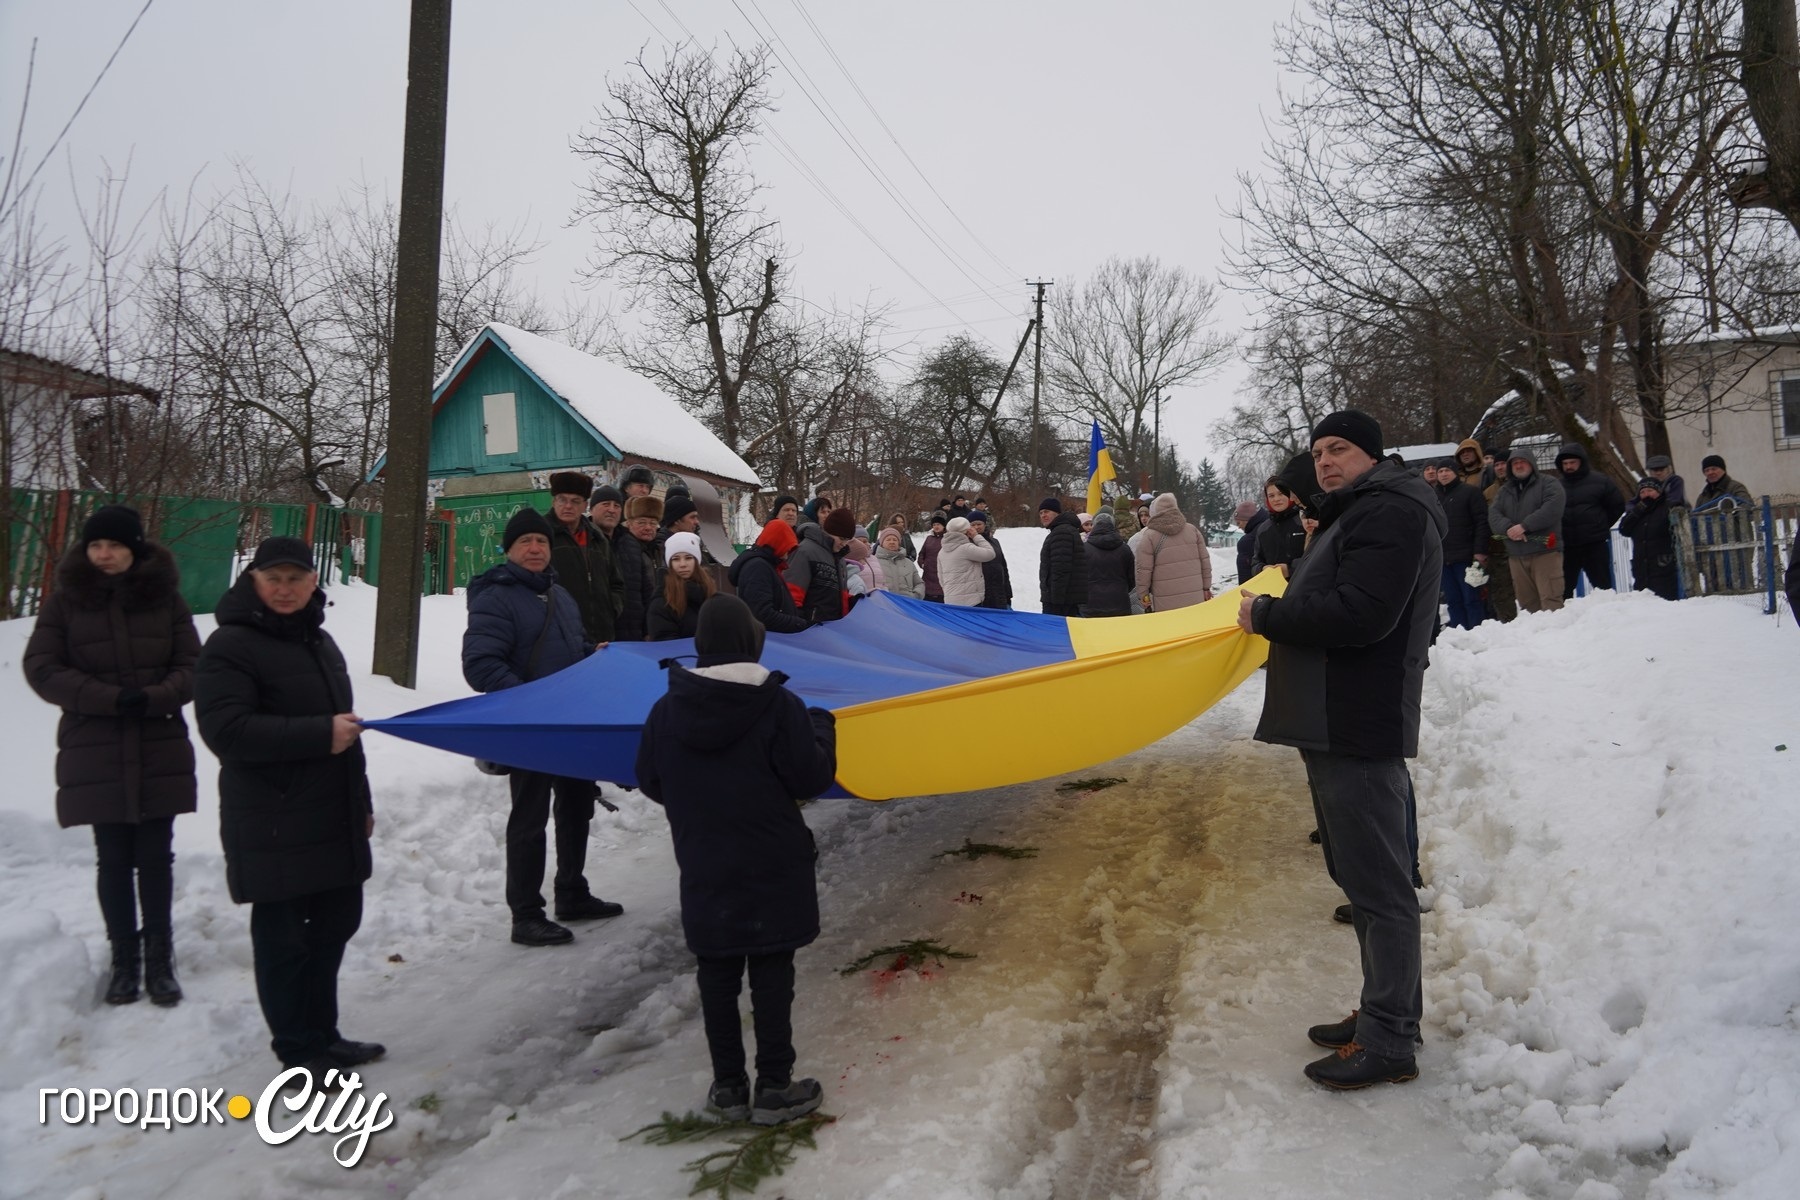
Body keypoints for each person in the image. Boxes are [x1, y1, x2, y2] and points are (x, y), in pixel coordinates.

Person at [1237, 410, 1443, 1090]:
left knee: (1382, 888)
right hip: (1335, 716)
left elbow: (1362, 615)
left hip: (1356, 718)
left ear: (1372, 454)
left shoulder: (1389, 512)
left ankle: (1390, 1038)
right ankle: (1383, 1012)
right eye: (1318, 451)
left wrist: (1265, 615)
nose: (1325, 461)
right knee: (1361, 878)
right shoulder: (1362, 510)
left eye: (1340, 449)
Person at [634, 595, 838, 1127]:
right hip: (772, 859)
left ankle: (728, 1089)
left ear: (701, 647)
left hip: (704, 859)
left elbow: (651, 778)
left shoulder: (666, 710)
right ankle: (774, 1085)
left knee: (717, 973)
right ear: (753, 642)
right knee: (772, 967)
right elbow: (810, 778)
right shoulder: (779, 706)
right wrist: (822, 729)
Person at [194, 537, 382, 1082]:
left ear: (312, 584)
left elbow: (350, 732)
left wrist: (362, 801)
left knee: (332, 928)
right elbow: (226, 731)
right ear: (253, 580)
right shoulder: (229, 645)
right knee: (284, 941)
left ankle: (325, 1034)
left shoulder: (319, 642)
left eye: (295, 579)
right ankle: (297, 1051)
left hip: (332, 813)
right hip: (273, 818)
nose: (284, 589)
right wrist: (320, 734)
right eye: (272, 578)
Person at [25, 505, 199, 1008]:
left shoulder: (166, 600)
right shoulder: (64, 604)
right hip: (94, 746)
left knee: (155, 857)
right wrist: (106, 698)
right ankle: (124, 960)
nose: (104, 555)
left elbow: (192, 664)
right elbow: (41, 667)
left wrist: (155, 696)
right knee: (113, 859)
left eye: (115, 546)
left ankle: (160, 959)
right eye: (96, 545)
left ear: (135, 549)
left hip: (157, 743)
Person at [462, 509, 617, 947]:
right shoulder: (495, 597)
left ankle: (572, 892)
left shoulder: (559, 596)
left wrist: (594, 652)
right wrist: (530, 702)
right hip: (528, 726)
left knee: (575, 806)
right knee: (529, 819)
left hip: (568, 722)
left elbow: (571, 649)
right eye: (526, 542)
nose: (535, 549)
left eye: (542, 542)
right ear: (509, 550)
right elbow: (480, 665)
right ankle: (526, 914)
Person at [545, 472, 623, 646]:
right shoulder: (543, 536)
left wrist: (611, 609)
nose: (568, 506)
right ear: (553, 502)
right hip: (561, 638)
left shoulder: (597, 538)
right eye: (562, 500)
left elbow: (616, 582)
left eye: (575, 501)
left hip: (602, 636)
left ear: (585, 506)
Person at [1488, 449, 1566, 614]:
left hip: (1545, 553)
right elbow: (1493, 514)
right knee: (1528, 606)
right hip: (1516, 556)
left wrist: (1525, 526)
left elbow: (1553, 507)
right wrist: (1508, 528)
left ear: (1532, 463)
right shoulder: (1505, 490)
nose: (1519, 465)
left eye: (1522, 461)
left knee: (1551, 601)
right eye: (1515, 463)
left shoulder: (1549, 483)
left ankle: (1556, 638)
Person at [1554, 444, 1625, 598]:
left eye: (1572, 462)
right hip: (1567, 545)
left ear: (1581, 462)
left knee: (1603, 587)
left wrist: (1601, 524)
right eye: (1565, 464)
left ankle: (1609, 615)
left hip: (1594, 544)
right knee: (1563, 590)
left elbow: (1617, 505)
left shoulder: (1601, 481)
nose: (1569, 467)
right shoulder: (1556, 486)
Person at [592, 484, 653, 642]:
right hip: (598, 638)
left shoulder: (630, 543)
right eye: (606, 504)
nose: (612, 510)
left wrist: (648, 629)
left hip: (633, 635)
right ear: (592, 509)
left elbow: (645, 591)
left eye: (616, 506)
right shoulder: (584, 541)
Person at [729, 519, 812, 634]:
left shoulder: (767, 566)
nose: (788, 554)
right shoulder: (758, 568)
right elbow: (762, 614)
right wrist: (799, 623)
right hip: (769, 644)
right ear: (778, 543)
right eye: (787, 547)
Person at [1433, 461, 1489, 629]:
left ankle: (1477, 632)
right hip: (1444, 559)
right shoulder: (1432, 496)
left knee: (1472, 599)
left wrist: (1480, 551)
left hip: (1468, 558)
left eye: (1447, 470)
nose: (1443, 474)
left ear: (1456, 473)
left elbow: (1482, 523)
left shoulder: (1470, 492)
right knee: (1453, 601)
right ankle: (1461, 634)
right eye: (1440, 470)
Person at [1135, 492, 1213, 611]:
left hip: (1164, 601)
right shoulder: (1193, 530)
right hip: (1195, 597)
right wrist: (1206, 588)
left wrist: (1143, 595)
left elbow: (1143, 569)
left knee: (1171, 628)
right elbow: (1205, 562)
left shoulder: (1149, 536)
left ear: (1155, 512)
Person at [786, 507, 852, 623]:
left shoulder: (839, 558)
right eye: (841, 538)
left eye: (848, 540)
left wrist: (855, 601)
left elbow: (839, 596)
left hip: (832, 628)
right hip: (810, 629)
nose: (844, 544)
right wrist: (800, 624)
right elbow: (791, 595)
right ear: (829, 532)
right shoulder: (805, 552)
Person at [649, 531, 717, 640]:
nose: (683, 564)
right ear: (669, 563)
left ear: (696, 561)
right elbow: (664, 643)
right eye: (676, 559)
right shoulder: (662, 601)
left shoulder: (709, 591)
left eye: (688, 558)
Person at [1619, 477, 1678, 600]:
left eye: (1650, 490)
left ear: (1659, 492)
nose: (1646, 494)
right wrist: (1638, 509)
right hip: (1641, 570)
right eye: (1642, 492)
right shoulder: (1637, 510)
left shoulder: (1669, 508)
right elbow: (1624, 529)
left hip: (1663, 567)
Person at [1479, 464, 1518, 622]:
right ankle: (1507, 624)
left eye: (1504, 464)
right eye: (1497, 465)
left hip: (1523, 546)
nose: (1500, 468)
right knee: (1501, 593)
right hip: (1497, 549)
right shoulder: (1488, 492)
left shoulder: (1523, 487)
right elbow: (1485, 520)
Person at [1037, 498, 1089, 617]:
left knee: (1056, 634)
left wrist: (1056, 603)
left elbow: (1061, 569)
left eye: (1046, 511)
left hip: (1060, 602)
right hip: (1067, 599)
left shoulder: (1061, 533)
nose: (1043, 515)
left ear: (1057, 513)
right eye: (1041, 513)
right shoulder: (1064, 530)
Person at [1251, 477, 1308, 579]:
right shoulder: (1263, 529)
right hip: (1273, 589)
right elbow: (1255, 563)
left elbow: (1319, 556)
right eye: (1271, 496)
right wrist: (1262, 569)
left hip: (1304, 586)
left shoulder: (1305, 520)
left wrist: (1290, 569)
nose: (1276, 499)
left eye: (1281, 493)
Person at [1083, 510, 1136, 617]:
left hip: (1091, 604)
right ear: (1113, 526)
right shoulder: (1125, 549)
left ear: (1094, 526)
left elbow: (1078, 579)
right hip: (1120, 603)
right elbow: (1131, 580)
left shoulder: (1084, 549)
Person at [937, 516, 996, 606]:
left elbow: (941, 577)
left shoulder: (942, 551)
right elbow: (990, 554)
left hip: (951, 599)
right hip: (971, 601)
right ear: (966, 531)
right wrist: (976, 536)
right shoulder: (966, 548)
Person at [968, 510, 1013, 609]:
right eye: (973, 525)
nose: (976, 527)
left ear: (985, 525)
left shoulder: (995, 542)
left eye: (979, 524)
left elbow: (1003, 568)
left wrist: (1008, 594)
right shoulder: (967, 545)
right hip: (978, 596)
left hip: (998, 593)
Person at [624, 495, 665, 593]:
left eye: (653, 523)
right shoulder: (624, 550)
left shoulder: (660, 550)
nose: (648, 527)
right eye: (642, 523)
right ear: (629, 524)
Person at [874, 525, 924, 598]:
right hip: (883, 605)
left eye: (895, 540)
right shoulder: (874, 563)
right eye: (888, 539)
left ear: (899, 542)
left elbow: (919, 583)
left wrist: (916, 596)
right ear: (881, 543)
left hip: (906, 605)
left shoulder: (908, 563)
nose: (892, 542)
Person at [1234, 501, 1269, 587]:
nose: (1238, 526)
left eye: (1239, 523)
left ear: (1247, 520)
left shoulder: (1247, 541)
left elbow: (1245, 573)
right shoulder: (1268, 526)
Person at [841, 525, 882, 597]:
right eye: (859, 541)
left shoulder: (875, 559)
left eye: (865, 541)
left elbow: (883, 581)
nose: (864, 544)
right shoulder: (851, 573)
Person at [919, 512, 948, 603]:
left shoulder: (948, 538)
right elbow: (921, 554)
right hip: (928, 574)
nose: (936, 526)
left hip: (943, 573)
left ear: (943, 526)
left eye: (938, 524)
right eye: (934, 524)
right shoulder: (929, 539)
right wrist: (922, 563)